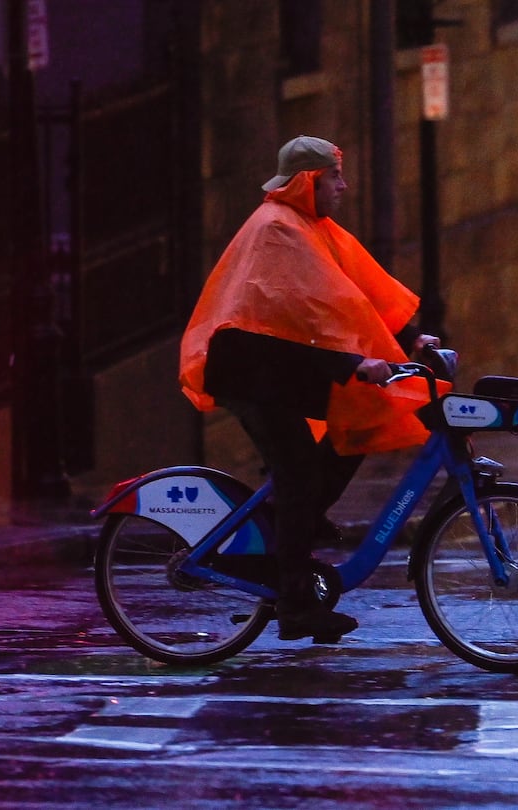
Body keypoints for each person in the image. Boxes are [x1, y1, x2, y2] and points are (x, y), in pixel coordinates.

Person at [180, 136, 439, 643]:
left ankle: (290, 536)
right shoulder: (277, 231)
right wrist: (351, 362)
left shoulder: (314, 230)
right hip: (252, 372)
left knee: (355, 431)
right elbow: (297, 319)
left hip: (282, 368)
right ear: (309, 182)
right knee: (297, 470)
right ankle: (296, 603)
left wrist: (411, 337)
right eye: (334, 179)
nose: (343, 186)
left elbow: (357, 290)